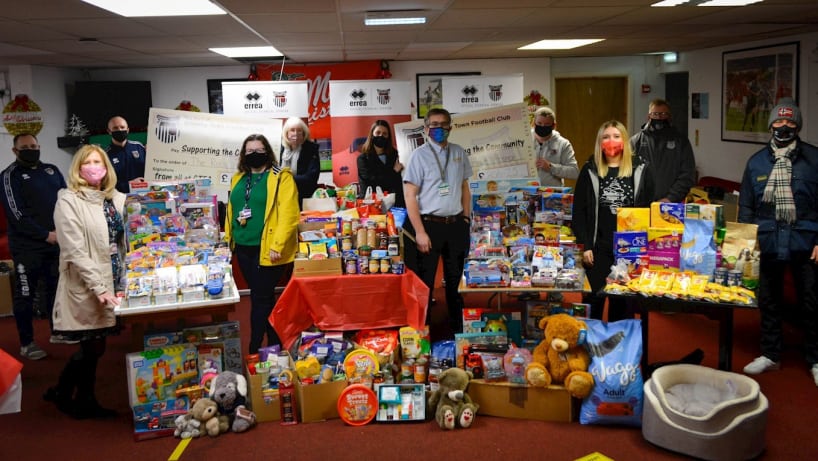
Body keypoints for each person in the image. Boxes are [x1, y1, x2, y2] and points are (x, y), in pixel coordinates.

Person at [738, 98, 818, 386]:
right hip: (768, 242)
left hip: (806, 243)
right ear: (770, 124)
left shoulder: (814, 160)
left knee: (811, 303)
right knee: (769, 301)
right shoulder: (756, 162)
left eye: (790, 122)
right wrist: (748, 241)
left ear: (797, 125)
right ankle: (770, 354)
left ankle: (815, 359)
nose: (784, 126)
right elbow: (746, 207)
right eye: (779, 121)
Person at [44, 144, 125, 419]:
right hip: (87, 282)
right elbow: (73, 250)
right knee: (92, 344)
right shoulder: (68, 200)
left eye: (99, 162)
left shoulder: (114, 198)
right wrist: (99, 287)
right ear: (78, 168)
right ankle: (80, 398)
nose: (94, 167)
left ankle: (63, 391)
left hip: (113, 279)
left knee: (96, 344)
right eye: (88, 162)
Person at [573, 120, 654, 321]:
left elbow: (648, 210)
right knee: (593, 303)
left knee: (623, 304)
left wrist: (643, 249)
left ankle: (619, 349)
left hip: (628, 252)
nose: (611, 141)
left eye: (616, 136)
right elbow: (579, 213)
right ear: (600, 142)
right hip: (597, 250)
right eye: (606, 137)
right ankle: (591, 348)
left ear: (625, 140)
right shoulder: (590, 170)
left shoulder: (641, 170)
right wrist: (586, 246)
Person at [226, 134, 300, 354]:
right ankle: (274, 348)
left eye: (259, 150)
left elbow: (289, 214)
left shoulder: (281, 177)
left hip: (268, 249)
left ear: (268, 152)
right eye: (249, 151)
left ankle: (255, 347)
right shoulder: (239, 178)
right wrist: (226, 241)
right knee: (263, 298)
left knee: (260, 299)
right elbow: (232, 211)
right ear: (243, 155)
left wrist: (277, 245)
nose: (254, 154)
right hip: (242, 248)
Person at [403, 108, 472, 337]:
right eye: (434, 124)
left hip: (455, 225)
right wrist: (420, 232)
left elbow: (464, 188)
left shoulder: (459, 152)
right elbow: (410, 195)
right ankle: (423, 334)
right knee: (425, 285)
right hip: (428, 226)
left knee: (455, 284)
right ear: (425, 129)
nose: (439, 129)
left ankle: (457, 333)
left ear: (450, 127)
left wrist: (466, 218)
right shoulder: (418, 156)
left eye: (443, 124)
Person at [0, 133, 69, 360]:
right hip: (27, 247)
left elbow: (66, 201)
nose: (31, 149)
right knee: (25, 295)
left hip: (55, 242)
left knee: (55, 290)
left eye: (34, 146)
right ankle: (27, 342)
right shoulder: (10, 176)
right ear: (15, 150)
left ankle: (57, 331)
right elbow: (15, 214)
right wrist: (44, 235)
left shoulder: (51, 170)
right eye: (25, 147)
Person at [630, 99, 696, 203]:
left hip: (670, 203)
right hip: (640, 203)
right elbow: (626, 172)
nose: (659, 117)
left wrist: (671, 198)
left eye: (663, 114)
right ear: (648, 117)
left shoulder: (681, 142)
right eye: (655, 114)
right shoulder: (636, 141)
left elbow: (688, 174)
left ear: (669, 116)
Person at [356, 119, 405, 208]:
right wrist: (394, 172)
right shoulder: (362, 159)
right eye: (378, 132)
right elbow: (374, 182)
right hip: (372, 205)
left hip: (395, 204)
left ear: (388, 137)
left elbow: (399, 182)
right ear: (372, 135)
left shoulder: (396, 155)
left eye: (384, 134)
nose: (381, 136)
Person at [531, 107, 579, 187]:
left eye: (547, 124)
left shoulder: (563, 144)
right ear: (533, 123)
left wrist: (551, 167)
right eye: (539, 124)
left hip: (553, 196)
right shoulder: (523, 140)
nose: (542, 126)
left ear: (554, 126)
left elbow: (574, 172)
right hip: (526, 194)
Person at [279, 117, 320, 205]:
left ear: (304, 133)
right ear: (286, 133)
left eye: (299, 130)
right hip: (280, 195)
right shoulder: (278, 148)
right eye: (292, 130)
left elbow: (311, 178)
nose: (296, 134)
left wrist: (286, 179)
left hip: (303, 196)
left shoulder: (311, 149)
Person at [105, 116, 146, 194]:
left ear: (127, 130)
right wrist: (129, 185)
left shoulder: (139, 147)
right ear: (109, 131)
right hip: (120, 199)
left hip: (145, 195)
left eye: (122, 127)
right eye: (115, 128)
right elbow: (106, 184)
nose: (120, 130)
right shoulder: (105, 155)